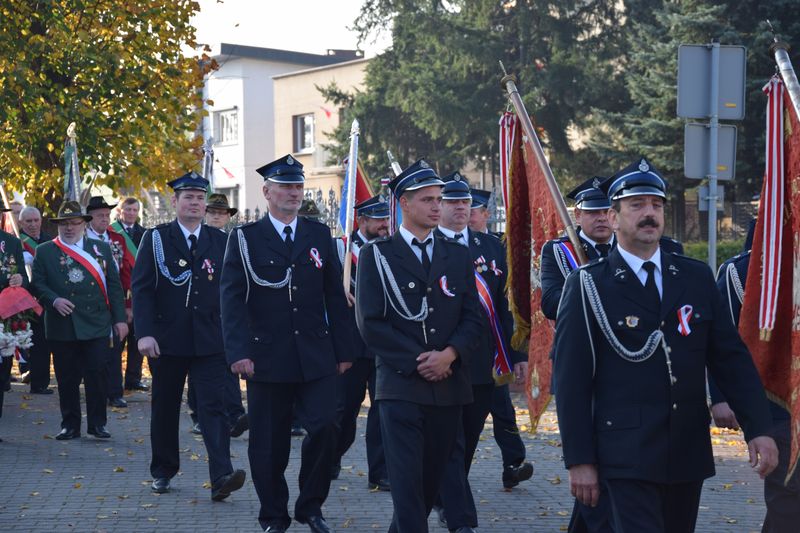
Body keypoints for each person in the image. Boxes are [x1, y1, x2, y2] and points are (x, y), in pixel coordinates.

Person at [553, 157, 778, 533]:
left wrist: (759, 428)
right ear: (613, 216)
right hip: (624, 452)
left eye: (656, 205)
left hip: (685, 448)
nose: (649, 214)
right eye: (637, 205)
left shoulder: (694, 277)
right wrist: (580, 459)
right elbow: (571, 381)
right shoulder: (589, 284)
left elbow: (730, 359)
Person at [220, 154, 353, 533]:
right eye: (286, 186)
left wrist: (345, 350)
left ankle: (311, 506)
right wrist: (239, 352)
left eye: (298, 186)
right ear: (267, 192)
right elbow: (231, 300)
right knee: (268, 444)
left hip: (316, 354)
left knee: (327, 426)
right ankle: (273, 515)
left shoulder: (318, 234)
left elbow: (334, 296)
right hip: (267, 356)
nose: (294, 193)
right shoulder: (244, 239)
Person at [356, 159, 483, 533]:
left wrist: (450, 355)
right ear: (405, 204)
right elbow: (371, 323)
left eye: (439, 199)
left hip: (447, 384)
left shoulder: (457, 255)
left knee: (432, 480)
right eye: (427, 199)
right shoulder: (377, 256)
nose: (436, 206)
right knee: (407, 482)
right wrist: (419, 361)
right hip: (401, 385)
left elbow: (473, 317)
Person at [131, 172, 246, 500]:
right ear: (175, 202)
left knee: (215, 407)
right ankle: (163, 471)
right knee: (165, 407)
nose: (195, 203)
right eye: (189, 198)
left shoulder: (221, 240)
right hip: (166, 340)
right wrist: (145, 334)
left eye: (199, 198)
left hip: (210, 339)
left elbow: (233, 290)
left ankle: (221, 474)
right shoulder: (156, 239)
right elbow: (141, 290)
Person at [433, 173, 528, 532]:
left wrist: (517, 355)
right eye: (451, 202)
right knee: (450, 442)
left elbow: (507, 306)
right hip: (445, 361)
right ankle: (460, 517)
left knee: (467, 441)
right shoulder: (429, 244)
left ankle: (445, 496)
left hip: (485, 362)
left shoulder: (491, 247)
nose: (460, 208)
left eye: (464, 203)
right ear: (438, 206)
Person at [712, 250, 799, 533]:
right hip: (777, 401)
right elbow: (722, 342)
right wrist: (720, 397)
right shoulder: (742, 271)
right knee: (788, 494)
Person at [31, 201, 127, 441]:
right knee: (67, 378)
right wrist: (53, 300)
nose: (69, 228)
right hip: (62, 323)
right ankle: (69, 425)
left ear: (85, 224)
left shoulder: (101, 249)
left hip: (96, 323)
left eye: (74, 223)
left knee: (97, 374)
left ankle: (97, 424)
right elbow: (38, 284)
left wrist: (121, 319)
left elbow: (114, 287)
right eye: (64, 223)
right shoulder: (44, 250)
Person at [467, 188, 535, 491]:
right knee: (466, 421)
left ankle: (513, 464)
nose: (468, 214)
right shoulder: (444, 246)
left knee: (503, 409)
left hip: (495, 353)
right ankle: (453, 480)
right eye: (462, 207)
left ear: (485, 214)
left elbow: (511, 307)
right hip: (462, 353)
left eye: (474, 209)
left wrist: (518, 354)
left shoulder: (498, 250)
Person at [332, 194, 390, 490]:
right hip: (351, 345)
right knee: (344, 409)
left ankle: (380, 472)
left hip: (382, 345)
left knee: (382, 412)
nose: (384, 224)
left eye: (386, 218)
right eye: (378, 219)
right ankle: (331, 457)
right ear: (362, 221)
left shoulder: (391, 250)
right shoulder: (340, 249)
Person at [184, 192, 247, 438]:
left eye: (222, 213)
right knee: (198, 368)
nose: (218, 217)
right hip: (199, 312)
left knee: (227, 363)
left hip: (224, 312)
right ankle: (198, 414)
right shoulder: (195, 240)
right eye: (213, 212)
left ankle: (234, 414)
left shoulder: (231, 240)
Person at [85, 196, 133, 409]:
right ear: (90, 218)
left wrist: (127, 305)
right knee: (93, 349)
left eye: (107, 215)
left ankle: (115, 392)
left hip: (115, 300)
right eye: (100, 216)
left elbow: (126, 273)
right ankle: (95, 391)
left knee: (115, 349)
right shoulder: (82, 239)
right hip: (90, 301)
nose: (105, 219)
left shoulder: (117, 239)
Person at [111, 197, 148, 392]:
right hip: (119, 292)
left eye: (135, 209)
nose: (132, 213)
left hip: (139, 294)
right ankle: (113, 381)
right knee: (117, 341)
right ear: (120, 210)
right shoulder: (111, 232)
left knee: (137, 338)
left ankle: (133, 378)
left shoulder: (144, 234)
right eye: (128, 209)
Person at [18, 206, 54, 394]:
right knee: (27, 341)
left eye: (35, 220)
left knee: (45, 341)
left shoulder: (50, 241)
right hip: (26, 300)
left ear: (41, 220)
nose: (32, 224)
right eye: (28, 221)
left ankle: (42, 381)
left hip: (47, 298)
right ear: (21, 223)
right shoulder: (17, 242)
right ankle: (33, 381)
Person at [0, 209, 27, 441]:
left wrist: (20, 280)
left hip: (4, 315)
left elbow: (24, 278)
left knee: (1, 373)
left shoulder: (11, 242)